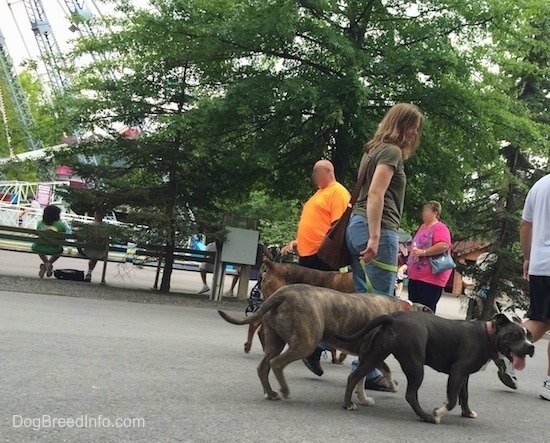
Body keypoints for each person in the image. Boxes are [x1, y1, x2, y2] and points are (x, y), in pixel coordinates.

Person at [345, 102, 424, 390]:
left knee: (362, 302)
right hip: (375, 229)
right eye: (412, 126)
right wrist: (376, 237)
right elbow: (376, 194)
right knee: (382, 305)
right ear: (399, 125)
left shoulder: (371, 151)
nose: (416, 132)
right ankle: (364, 370)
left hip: (356, 227)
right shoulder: (390, 152)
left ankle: (360, 364)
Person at [281, 159, 350, 376]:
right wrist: (296, 242)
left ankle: (314, 350)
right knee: (306, 303)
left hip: (322, 257)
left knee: (321, 305)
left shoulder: (337, 192)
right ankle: (305, 345)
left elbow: (338, 226)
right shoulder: (318, 193)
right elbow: (314, 223)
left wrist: (324, 249)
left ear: (328, 171)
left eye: (315, 171)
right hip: (308, 255)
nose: (313, 175)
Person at [497, 173, 550, 400]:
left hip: (540, 264)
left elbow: (525, 224)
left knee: (540, 319)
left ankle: (507, 351)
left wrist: (528, 257)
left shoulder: (540, 185)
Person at [407, 201, 453, 313]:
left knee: (425, 309)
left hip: (431, 278)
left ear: (435, 213)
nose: (424, 213)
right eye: (424, 210)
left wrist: (424, 252)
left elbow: (443, 245)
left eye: (427, 211)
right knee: (413, 308)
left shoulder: (440, 227)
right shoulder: (422, 227)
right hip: (415, 276)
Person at [31, 205, 68, 278]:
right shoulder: (61, 225)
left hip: (39, 247)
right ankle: (48, 263)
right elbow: (63, 239)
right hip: (54, 248)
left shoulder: (40, 223)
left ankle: (46, 263)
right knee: (60, 250)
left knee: (37, 246)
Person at [79, 212, 108, 282]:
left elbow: (80, 235)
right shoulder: (106, 227)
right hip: (101, 253)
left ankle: (89, 273)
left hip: (86, 252)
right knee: (96, 254)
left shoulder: (90, 225)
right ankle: (89, 272)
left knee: (93, 252)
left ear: (95, 215)